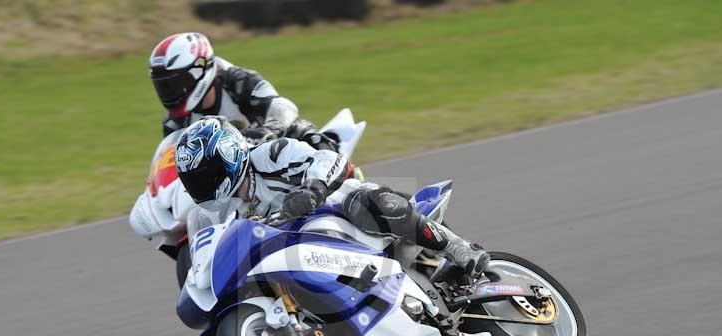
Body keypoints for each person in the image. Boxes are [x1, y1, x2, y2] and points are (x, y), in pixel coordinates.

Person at [174, 116, 490, 278]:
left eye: (207, 177)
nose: (204, 188)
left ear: (228, 155)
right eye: (196, 182)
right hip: (300, 250)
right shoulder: (228, 211)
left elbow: (327, 159)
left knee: (368, 203)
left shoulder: (269, 154)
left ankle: (459, 249)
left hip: (334, 211)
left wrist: (312, 190)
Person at [149, 32, 336, 151]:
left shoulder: (239, 82)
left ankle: (344, 181)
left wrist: (270, 129)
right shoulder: (174, 125)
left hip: (271, 155)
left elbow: (282, 106)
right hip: (225, 179)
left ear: (200, 70)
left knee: (301, 130)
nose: (170, 93)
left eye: (176, 83)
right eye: (163, 87)